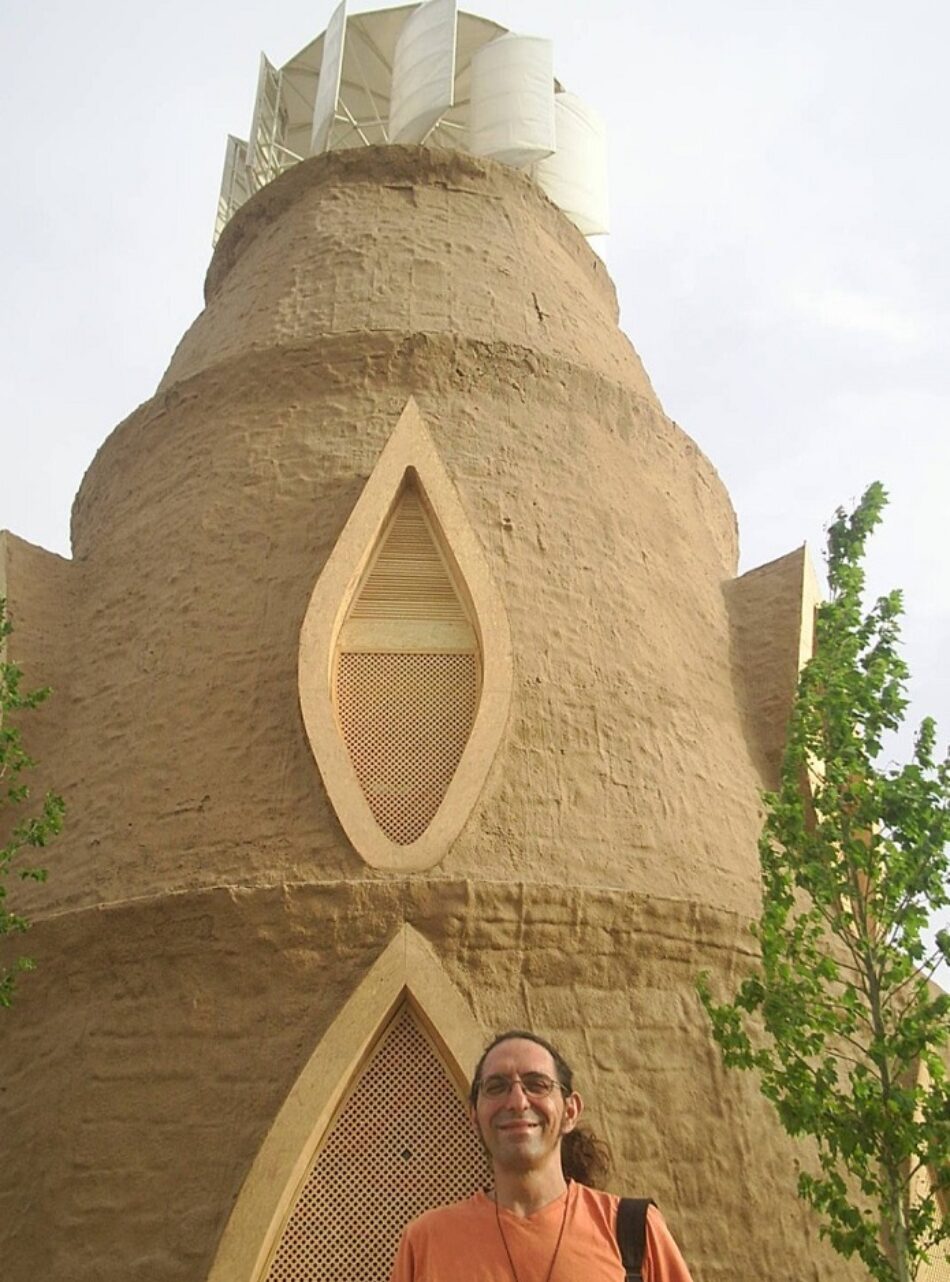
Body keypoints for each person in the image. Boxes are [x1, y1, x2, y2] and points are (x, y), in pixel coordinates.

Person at [389, 1029, 696, 1282]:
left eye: (537, 1084)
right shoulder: (426, 1241)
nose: (517, 1101)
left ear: (570, 1111)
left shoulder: (634, 1232)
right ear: (474, 1114)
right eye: (496, 1087)